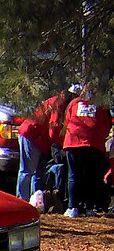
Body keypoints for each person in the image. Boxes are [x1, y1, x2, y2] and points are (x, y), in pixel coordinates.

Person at [17, 86, 74, 205]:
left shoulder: (61, 103)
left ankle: (36, 202)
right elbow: (53, 130)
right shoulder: (59, 104)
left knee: (39, 174)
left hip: (42, 140)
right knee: (27, 171)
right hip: (31, 134)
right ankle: (21, 202)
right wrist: (65, 143)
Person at [62, 84, 112, 217]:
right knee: (91, 176)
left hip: (73, 142)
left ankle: (72, 207)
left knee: (73, 175)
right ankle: (89, 207)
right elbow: (106, 125)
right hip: (93, 144)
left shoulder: (74, 103)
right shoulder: (101, 105)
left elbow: (66, 121)